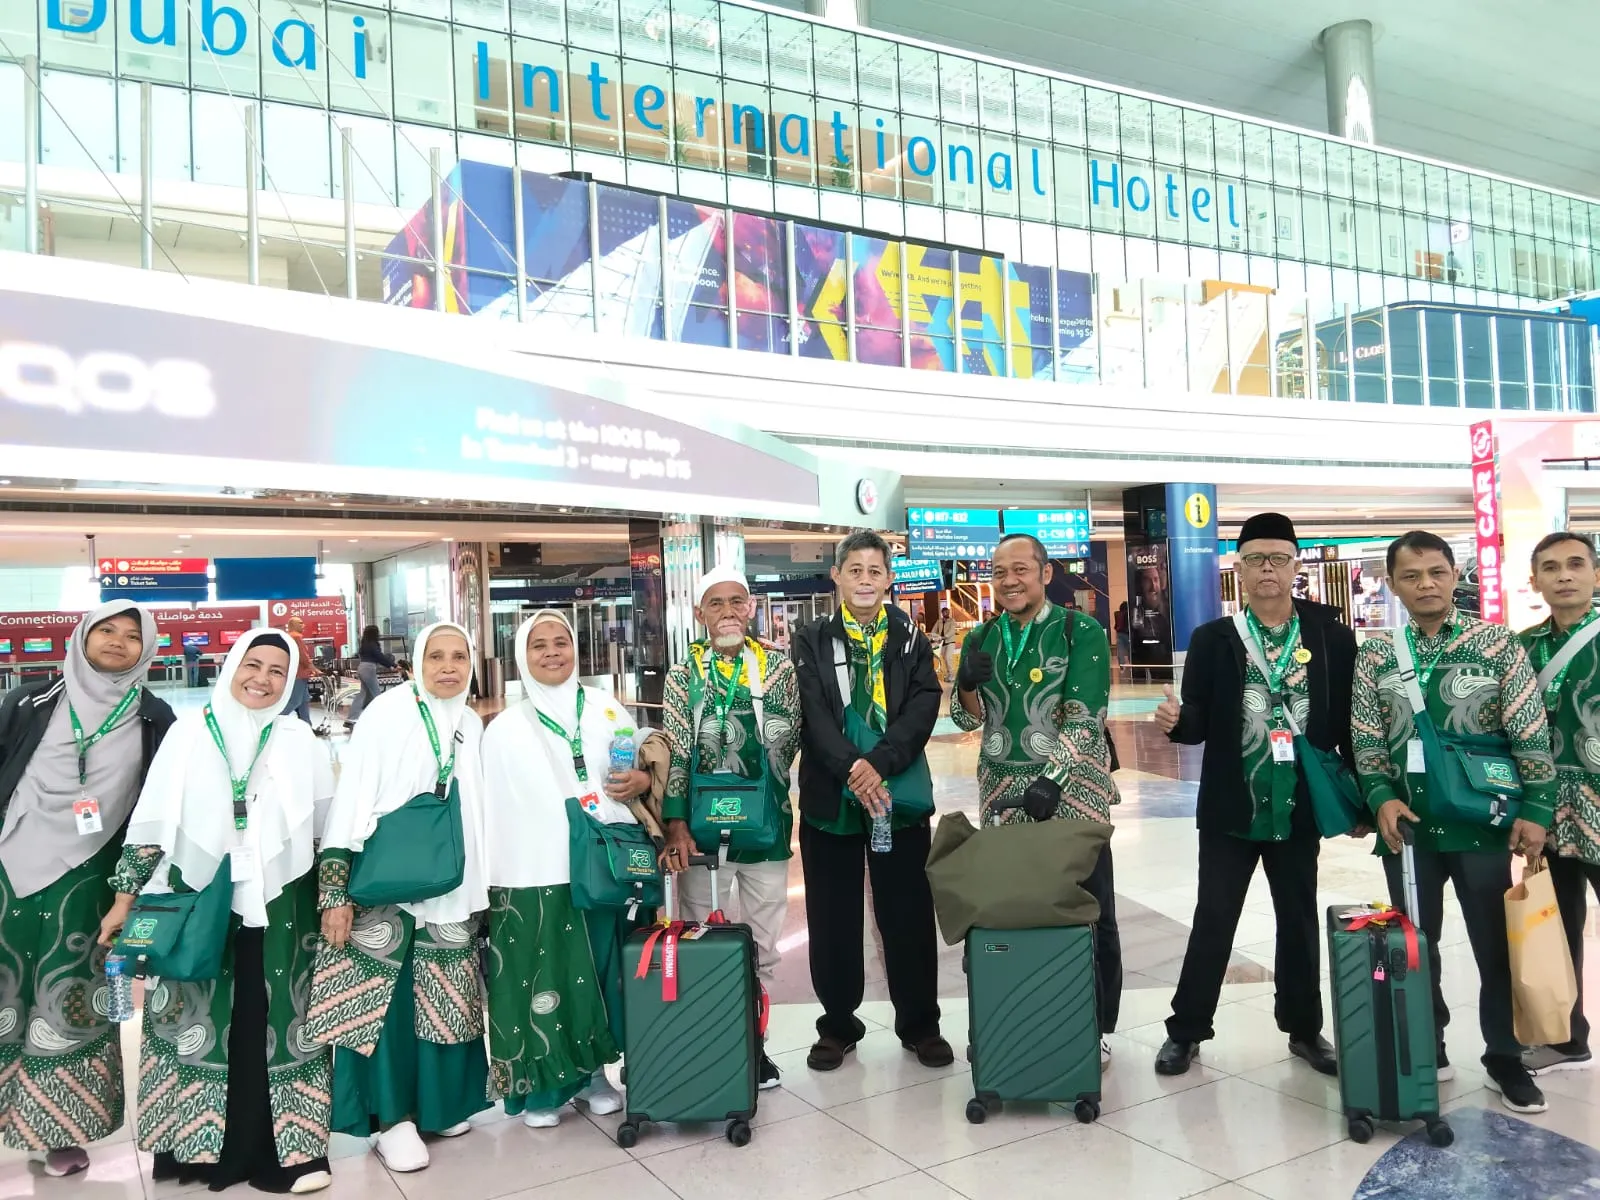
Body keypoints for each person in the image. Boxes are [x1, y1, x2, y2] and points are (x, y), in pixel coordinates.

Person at [98, 629, 335, 1193]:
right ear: (230, 667)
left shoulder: (300, 740)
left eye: (277, 671)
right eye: (252, 665)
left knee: (276, 1016)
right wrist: (124, 897)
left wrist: (334, 897)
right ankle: (197, 1147)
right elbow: (152, 823)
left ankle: (293, 1153)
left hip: (282, 903)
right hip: (200, 896)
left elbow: (325, 829)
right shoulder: (189, 734)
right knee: (198, 1016)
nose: (262, 679)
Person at [1351, 530, 1555, 1114]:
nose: (1426, 585)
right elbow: (1365, 736)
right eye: (1411, 576)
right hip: (1407, 827)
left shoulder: (1495, 643)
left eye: (1436, 572)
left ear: (1453, 575)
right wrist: (1381, 797)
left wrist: (1537, 810)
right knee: (1415, 945)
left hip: (1481, 823)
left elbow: (1528, 728)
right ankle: (1428, 1044)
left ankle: (1505, 1057)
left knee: (1496, 944)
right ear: (1393, 585)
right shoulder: (1376, 654)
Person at [1151, 513, 1351, 1078]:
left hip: (1299, 803)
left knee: (1298, 918)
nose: (1268, 569)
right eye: (1256, 559)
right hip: (1232, 805)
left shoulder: (1330, 636)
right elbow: (1197, 721)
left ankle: (1305, 1030)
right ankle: (1186, 1031)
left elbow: (1347, 721)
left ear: (1295, 566)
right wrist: (1176, 721)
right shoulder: (1214, 639)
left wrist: (1362, 795)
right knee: (1214, 917)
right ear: (1238, 569)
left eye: (1278, 559)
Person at [0, 603, 175, 1177]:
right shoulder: (29, 701)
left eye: (132, 636)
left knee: (72, 992)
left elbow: (159, 805)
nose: (118, 641)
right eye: (107, 629)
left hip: (93, 878)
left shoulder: (154, 717)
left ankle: (56, 1127)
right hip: (10, 865)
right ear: (82, 635)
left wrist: (135, 889)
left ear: (147, 649)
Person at [312, 622, 491, 1171]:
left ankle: (439, 1107)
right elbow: (352, 796)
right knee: (385, 1007)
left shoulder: (469, 723)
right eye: (436, 656)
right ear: (416, 662)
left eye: (459, 657)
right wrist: (335, 890)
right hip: (387, 888)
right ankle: (393, 1120)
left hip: (451, 887)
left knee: (446, 996)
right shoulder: (387, 715)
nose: (448, 667)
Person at [949, 533, 1121, 1062]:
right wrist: (966, 684)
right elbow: (966, 720)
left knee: (1088, 910)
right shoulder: (983, 636)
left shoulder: (1079, 631)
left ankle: (1093, 1027)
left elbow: (1085, 715)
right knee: (1014, 911)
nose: (1009, 581)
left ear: (1046, 574)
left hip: (1074, 799)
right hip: (1002, 799)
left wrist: (1055, 777)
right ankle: (1020, 1021)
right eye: (999, 572)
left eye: (1020, 569)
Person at [480, 610, 651, 1126]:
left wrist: (641, 781)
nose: (552, 652)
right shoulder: (505, 729)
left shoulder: (606, 709)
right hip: (534, 873)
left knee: (598, 973)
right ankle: (542, 1092)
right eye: (539, 645)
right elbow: (492, 809)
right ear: (521, 656)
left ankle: (594, 1074)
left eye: (561, 642)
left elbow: (633, 771)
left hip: (599, 864)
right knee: (543, 976)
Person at [791, 532, 949, 1073]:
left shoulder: (910, 637)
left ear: (888, 579)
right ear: (836, 576)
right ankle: (838, 1025)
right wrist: (852, 769)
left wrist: (878, 763)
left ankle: (920, 1024)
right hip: (830, 799)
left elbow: (924, 704)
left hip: (896, 795)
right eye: (854, 570)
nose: (864, 580)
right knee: (831, 917)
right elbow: (812, 712)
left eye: (874, 571)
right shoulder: (811, 639)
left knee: (907, 913)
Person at [660, 565, 801, 1091]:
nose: (728, 612)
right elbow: (677, 752)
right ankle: (711, 1045)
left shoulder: (777, 668)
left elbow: (788, 742)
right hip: (700, 833)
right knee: (702, 938)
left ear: (752, 608)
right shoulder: (683, 674)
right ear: (700, 613)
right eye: (715, 603)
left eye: (736, 601)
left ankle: (754, 1045)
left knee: (763, 946)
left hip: (765, 829)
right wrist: (676, 824)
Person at [1519, 532, 1600, 1076]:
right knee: (1557, 925)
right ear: (1536, 581)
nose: (1564, 575)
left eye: (1575, 564)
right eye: (1551, 567)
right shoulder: (1520, 648)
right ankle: (1568, 1038)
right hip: (1547, 811)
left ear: (1596, 574)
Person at [347, 625, 397, 727]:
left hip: (362, 667)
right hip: (369, 668)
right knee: (376, 694)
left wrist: (391, 665)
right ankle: (383, 719)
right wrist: (393, 665)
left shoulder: (364, 643)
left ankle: (352, 718)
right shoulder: (372, 644)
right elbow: (379, 656)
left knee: (363, 694)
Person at [283, 618, 316, 725]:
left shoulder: (288, 637)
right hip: (299, 674)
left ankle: (307, 725)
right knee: (295, 701)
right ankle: (274, 721)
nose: (303, 625)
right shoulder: (296, 637)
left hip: (296, 673)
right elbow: (303, 656)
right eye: (300, 623)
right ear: (292, 624)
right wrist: (314, 668)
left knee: (304, 701)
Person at [934, 606, 959, 683]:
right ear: (942, 613)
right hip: (941, 643)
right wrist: (934, 637)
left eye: (947, 612)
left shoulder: (952, 621)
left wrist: (945, 636)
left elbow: (952, 631)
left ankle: (952, 675)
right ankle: (948, 674)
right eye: (945, 612)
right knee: (945, 659)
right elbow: (934, 630)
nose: (947, 613)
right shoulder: (939, 621)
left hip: (950, 642)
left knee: (948, 658)